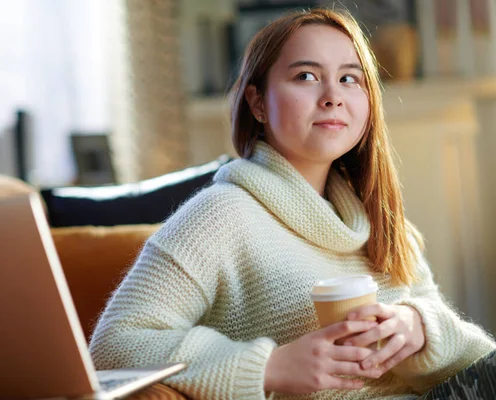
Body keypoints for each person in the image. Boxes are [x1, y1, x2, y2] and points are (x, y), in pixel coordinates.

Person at [90, 7, 496, 399]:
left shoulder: (383, 222)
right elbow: (114, 346)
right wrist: (271, 367)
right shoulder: (221, 216)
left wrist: (420, 326)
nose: (333, 95)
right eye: (306, 75)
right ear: (258, 102)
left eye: (350, 79)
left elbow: (478, 361)